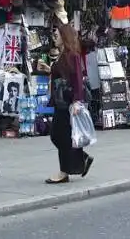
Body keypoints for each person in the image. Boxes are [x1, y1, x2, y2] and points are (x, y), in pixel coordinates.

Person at [47, 25, 94, 184]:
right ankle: (80, 159)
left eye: (58, 34)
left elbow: (77, 80)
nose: (55, 36)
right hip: (61, 101)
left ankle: (64, 171)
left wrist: (76, 101)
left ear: (65, 36)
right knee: (60, 136)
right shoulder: (63, 55)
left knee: (61, 136)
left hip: (67, 101)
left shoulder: (72, 55)